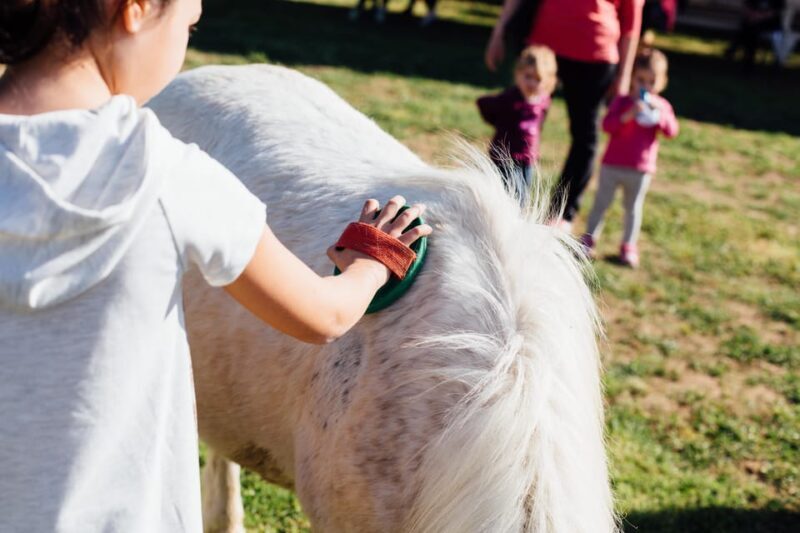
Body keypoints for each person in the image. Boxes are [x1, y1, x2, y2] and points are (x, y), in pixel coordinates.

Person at [0, 0, 431, 531]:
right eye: (189, 23)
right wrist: (372, 260)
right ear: (134, 10)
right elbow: (324, 317)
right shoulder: (172, 179)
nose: (185, 44)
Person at [485, 0, 644, 231]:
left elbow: (632, 21)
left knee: (584, 136)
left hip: (595, 54)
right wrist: (499, 31)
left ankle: (562, 213)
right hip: (544, 49)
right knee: (517, 123)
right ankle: (506, 198)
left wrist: (624, 75)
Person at [580, 49, 679, 268]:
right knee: (601, 203)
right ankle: (588, 239)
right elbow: (607, 125)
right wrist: (627, 115)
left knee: (633, 208)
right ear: (632, 78)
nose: (646, 86)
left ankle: (628, 245)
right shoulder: (622, 102)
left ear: (662, 83)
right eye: (641, 80)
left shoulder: (661, 106)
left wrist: (659, 116)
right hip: (612, 165)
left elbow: (672, 131)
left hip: (640, 169)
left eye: (652, 81)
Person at [476, 45, 557, 207]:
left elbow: (539, 122)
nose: (532, 83)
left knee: (523, 197)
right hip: (506, 158)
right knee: (508, 196)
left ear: (548, 81)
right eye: (528, 76)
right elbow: (484, 103)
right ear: (518, 74)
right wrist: (499, 123)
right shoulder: (510, 99)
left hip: (528, 158)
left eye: (538, 79)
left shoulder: (543, 101)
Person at [724, 0, 786, 70]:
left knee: (750, 31)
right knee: (749, 29)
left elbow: (775, 12)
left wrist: (759, 16)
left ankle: (734, 47)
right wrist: (752, 15)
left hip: (769, 24)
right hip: (752, 22)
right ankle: (747, 61)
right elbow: (746, 6)